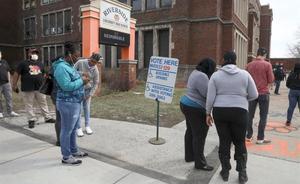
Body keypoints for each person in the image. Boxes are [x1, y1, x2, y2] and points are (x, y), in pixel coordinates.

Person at [206, 51, 258, 184]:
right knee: (240, 142)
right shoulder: (245, 74)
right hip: (240, 111)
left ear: (224, 60)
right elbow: (254, 94)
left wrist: (208, 113)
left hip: (220, 112)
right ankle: (242, 173)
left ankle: (225, 171)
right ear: (235, 60)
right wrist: (242, 99)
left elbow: (210, 97)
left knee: (224, 141)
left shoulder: (216, 76)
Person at [53, 42, 90, 165]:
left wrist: (80, 75)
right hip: (67, 103)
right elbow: (66, 86)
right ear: (69, 54)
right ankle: (66, 156)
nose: (77, 58)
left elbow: (71, 76)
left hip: (75, 102)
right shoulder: (60, 67)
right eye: (76, 55)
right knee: (67, 130)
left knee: (73, 129)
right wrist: (82, 81)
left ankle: (74, 150)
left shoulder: (68, 66)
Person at [180, 58, 216, 171]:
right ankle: (200, 163)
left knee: (190, 131)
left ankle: (190, 156)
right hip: (195, 107)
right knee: (199, 135)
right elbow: (207, 94)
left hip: (186, 103)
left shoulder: (195, 72)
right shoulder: (202, 76)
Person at [12, 48, 55, 128]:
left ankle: (47, 117)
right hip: (28, 88)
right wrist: (14, 85)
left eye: (36, 53)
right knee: (29, 105)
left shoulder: (40, 63)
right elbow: (16, 74)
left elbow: (44, 74)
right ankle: (31, 119)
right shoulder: (23, 63)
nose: (35, 54)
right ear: (29, 54)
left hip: (40, 88)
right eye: (33, 52)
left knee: (43, 103)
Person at [246, 48, 274, 144]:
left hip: (251, 94)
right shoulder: (267, 65)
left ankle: (249, 135)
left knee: (249, 115)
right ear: (264, 54)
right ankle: (260, 138)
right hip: (263, 93)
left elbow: (246, 81)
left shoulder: (249, 65)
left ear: (257, 54)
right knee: (263, 116)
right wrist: (267, 88)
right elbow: (271, 80)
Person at [74, 53, 102, 136]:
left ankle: (87, 126)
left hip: (87, 91)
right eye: (92, 61)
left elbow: (96, 83)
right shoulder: (80, 62)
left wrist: (90, 94)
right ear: (90, 58)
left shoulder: (95, 69)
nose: (92, 63)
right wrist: (82, 73)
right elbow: (72, 71)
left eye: (95, 62)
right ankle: (78, 128)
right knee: (78, 109)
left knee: (87, 109)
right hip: (78, 89)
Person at [0, 50, 19, 118]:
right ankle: (0, 112)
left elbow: (8, 71)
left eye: (0, 54)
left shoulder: (4, 62)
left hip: (6, 83)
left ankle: (10, 111)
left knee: (9, 97)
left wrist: (9, 81)